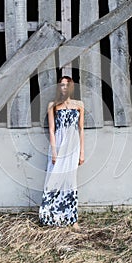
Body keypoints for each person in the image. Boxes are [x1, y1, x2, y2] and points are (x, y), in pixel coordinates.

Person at [39, 76, 84, 231]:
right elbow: (51, 130)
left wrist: (82, 152)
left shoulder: (79, 105)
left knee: (70, 181)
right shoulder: (53, 105)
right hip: (58, 145)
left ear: (71, 87)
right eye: (61, 85)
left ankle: (72, 220)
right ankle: (50, 217)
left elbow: (81, 129)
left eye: (67, 85)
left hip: (73, 146)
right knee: (54, 179)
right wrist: (53, 151)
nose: (64, 87)